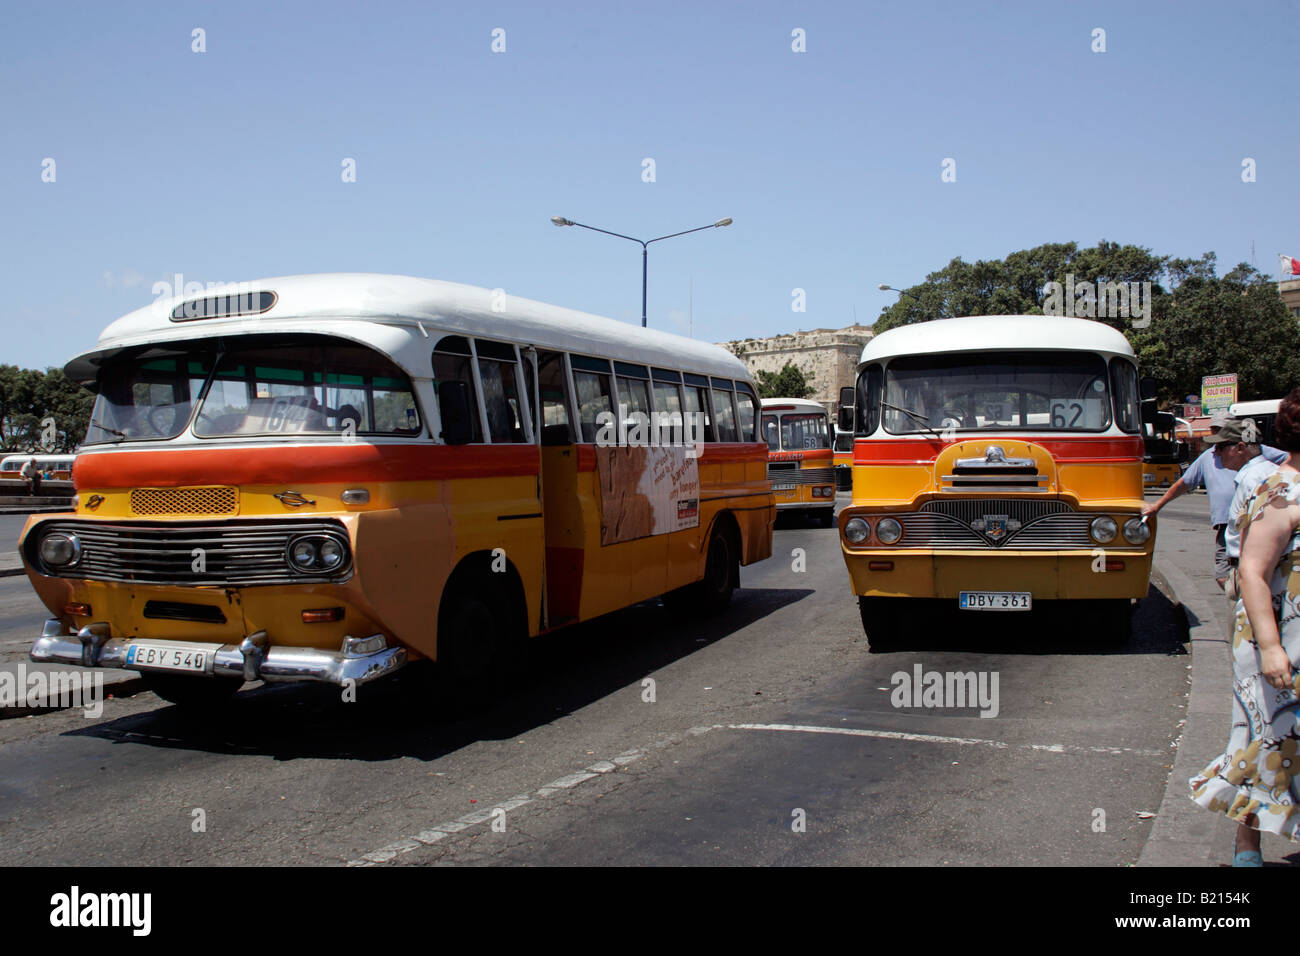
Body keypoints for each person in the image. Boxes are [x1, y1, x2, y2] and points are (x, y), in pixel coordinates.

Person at [1189, 387, 1300, 864]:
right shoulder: (1279, 488)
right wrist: (1272, 648)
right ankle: (1247, 843)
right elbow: (1252, 568)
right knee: (1261, 740)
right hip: (1273, 638)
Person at [1143, 412, 1287, 588]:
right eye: (1216, 432)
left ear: (1241, 447)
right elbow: (1184, 483)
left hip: (1249, 535)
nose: (1217, 451)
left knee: (1247, 580)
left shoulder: (1256, 472)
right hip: (1227, 526)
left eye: (1221, 442)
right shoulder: (1216, 459)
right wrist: (1157, 505)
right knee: (1229, 578)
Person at [1223, 419, 1280, 600]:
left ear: (1240, 448)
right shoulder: (1268, 471)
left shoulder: (1253, 480)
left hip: (1251, 570)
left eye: (1220, 447)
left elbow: (1258, 530)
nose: (1215, 453)